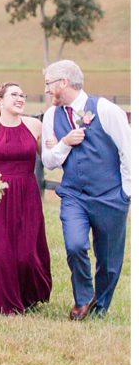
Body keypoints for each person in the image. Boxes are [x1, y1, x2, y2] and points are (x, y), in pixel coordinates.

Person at [41, 60, 131, 320]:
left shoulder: (105, 109)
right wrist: (66, 143)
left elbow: (128, 151)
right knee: (75, 245)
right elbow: (49, 160)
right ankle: (82, 299)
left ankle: (100, 308)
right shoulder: (51, 116)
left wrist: (125, 194)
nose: (47, 90)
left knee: (109, 261)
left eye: (49, 84)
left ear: (63, 83)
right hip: (73, 196)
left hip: (111, 196)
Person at [0, 82, 52, 314]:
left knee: (26, 252)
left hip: (27, 195)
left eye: (23, 95)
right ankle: (3, 301)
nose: (20, 98)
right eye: (14, 95)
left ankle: (28, 296)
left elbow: (50, 157)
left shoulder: (35, 126)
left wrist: (60, 144)